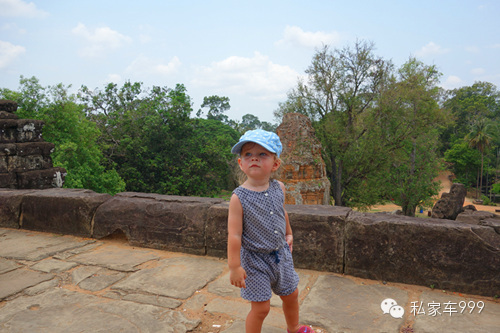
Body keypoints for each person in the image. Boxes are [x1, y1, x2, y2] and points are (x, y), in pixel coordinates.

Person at [227, 129, 315, 333]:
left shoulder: (279, 188)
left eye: (262, 154)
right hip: (254, 261)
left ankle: (293, 328)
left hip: (281, 256)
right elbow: (234, 235)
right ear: (241, 163)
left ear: (275, 164)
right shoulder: (238, 198)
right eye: (248, 154)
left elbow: (280, 211)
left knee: (291, 295)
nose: (254, 159)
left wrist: (289, 233)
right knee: (261, 308)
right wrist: (234, 267)